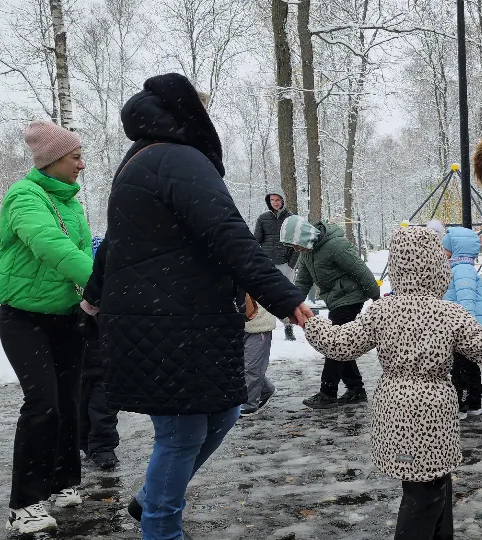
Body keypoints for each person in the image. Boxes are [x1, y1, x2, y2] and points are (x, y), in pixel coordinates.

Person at [82, 73, 311, 540]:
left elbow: (115, 246)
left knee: (223, 411)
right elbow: (229, 234)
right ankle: (160, 528)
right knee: (181, 434)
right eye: (204, 110)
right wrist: (285, 297)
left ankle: (150, 500)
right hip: (172, 321)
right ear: (188, 114)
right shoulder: (178, 159)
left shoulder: (140, 161)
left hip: (172, 317)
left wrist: (93, 295)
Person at [301, 226, 482, 540]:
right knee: (425, 494)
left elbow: (340, 343)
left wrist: (308, 321)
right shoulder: (449, 314)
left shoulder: (381, 312)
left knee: (432, 486)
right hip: (432, 411)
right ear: (437, 268)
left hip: (395, 408)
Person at [0, 120, 92, 534]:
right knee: (43, 404)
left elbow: (84, 248)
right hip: (24, 319)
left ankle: (62, 481)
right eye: (75, 157)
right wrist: (101, 283)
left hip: (66, 317)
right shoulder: (24, 197)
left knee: (69, 401)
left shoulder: (71, 201)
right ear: (51, 159)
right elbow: (50, 244)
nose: (82, 165)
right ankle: (25, 503)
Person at [284, 215, 381, 409]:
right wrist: (292, 305)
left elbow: (360, 270)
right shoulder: (307, 253)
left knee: (334, 344)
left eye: (295, 244)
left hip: (351, 297)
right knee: (341, 345)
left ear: (304, 237)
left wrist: (377, 298)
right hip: (335, 300)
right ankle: (356, 389)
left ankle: (328, 392)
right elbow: (303, 282)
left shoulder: (335, 245)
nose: (295, 249)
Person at [79, 235, 120, 470]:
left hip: (105, 360)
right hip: (83, 359)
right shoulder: (74, 295)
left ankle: (103, 446)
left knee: (103, 407)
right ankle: (85, 442)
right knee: (81, 404)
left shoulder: (112, 293)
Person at [442, 226, 482, 419]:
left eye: (445, 249)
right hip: (463, 328)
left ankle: (462, 405)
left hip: (462, 330)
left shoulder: (461, 270)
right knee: (468, 366)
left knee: (460, 368)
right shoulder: (460, 268)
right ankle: (472, 403)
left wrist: (464, 329)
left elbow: (466, 301)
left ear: (456, 249)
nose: (442, 252)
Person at [254, 191, 299, 341]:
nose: (275, 202)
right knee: (265, 295)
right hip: (267, 264)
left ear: (283, 201)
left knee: (285, 296)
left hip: (285, 264)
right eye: (272, 200)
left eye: (278, 200)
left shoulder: (291, 219)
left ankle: (289, 327)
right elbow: (256, 241)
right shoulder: (263, 218)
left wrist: (291, 264)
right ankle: (264, 327)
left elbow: (297, 244)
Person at [241, 295, 278, 416]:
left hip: (259, 324)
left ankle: (250, 404)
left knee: (252, 366)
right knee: (241, 365)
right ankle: (265, 390)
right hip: (237, 323)